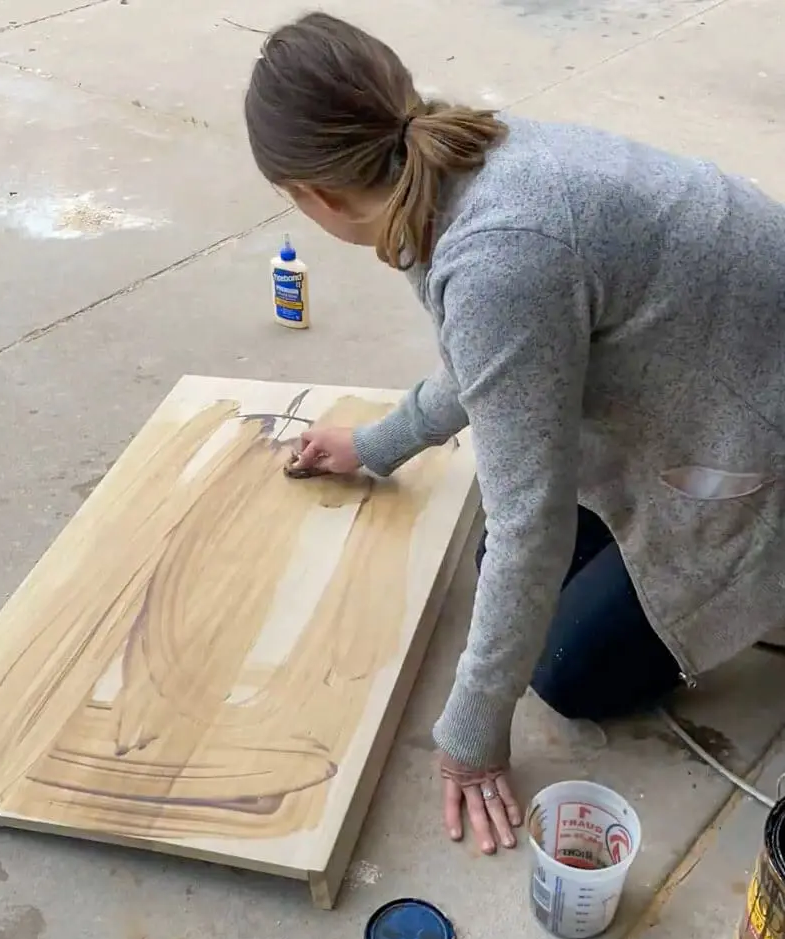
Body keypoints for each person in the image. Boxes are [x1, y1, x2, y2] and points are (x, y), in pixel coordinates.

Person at [243, 11, 785, 856]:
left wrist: (470, 734)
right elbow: (500, 365)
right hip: (713, 368)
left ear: (311, 196)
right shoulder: (459, 159)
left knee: (563, 666)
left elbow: (533, 519)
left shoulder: (499, 250)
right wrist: (378, 443)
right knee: (496, 556)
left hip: (754, 427)